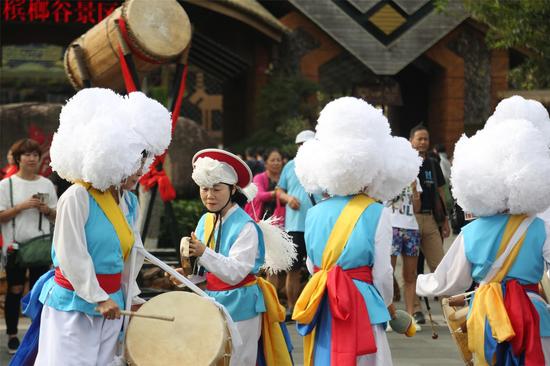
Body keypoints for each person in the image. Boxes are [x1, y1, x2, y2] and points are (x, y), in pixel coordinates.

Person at [22, 88, 172, 366]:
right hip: (75, 307)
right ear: (113, 156)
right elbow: (70, 254)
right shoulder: (77, 196)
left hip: (112, 306)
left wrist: (132, 296)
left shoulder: (129, 202)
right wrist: (98, 297)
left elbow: (130, 256)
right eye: (135, 163)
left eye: (143, 162)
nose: (141, 171)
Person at [417, 96, 550, 364]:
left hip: (486, 316)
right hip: (534, 315)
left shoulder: (472, 232)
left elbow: (449, 282)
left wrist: (419, 283)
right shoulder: (539, 228)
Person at [292, 97, 422, 365]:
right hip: (363, 304)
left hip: (324, 300)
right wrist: (387, 303)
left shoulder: (314, 213)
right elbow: (383, 273)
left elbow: (312, 264)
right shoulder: (378, 212)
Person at [170, 148, 292, 366]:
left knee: (238, 361)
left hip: (241, 304)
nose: (209, 195)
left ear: (233, 188)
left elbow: (235, 273)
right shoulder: (205, 220)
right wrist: (187, 277)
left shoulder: (246, 227)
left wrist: (203, 252)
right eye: (204, 189)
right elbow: (206, 271)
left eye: (216, 189)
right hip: (211, 302)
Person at [0, 138, 57, 354]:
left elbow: (58, 215)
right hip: (16, 247)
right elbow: (1, 216)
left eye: (35, 154)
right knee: (14, 290)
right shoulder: (6, 185)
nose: (32, 158)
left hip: (41, 247)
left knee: (38, 291)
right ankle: (13, 335)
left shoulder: (46, 184)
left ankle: (37, 335)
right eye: (27, 154)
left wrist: (47, 210)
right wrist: (21, 207)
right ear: (17, 158)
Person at [409, 124, 450, 324]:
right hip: (410, 219)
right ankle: (416, 308)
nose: (423, 142)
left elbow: (441, 192)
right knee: (412, 266)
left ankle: (448, 307)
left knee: (440, 264)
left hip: (431, 219)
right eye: (419, 139)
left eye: (425, 139)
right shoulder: (404, 163)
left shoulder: (433, 163)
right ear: (411, 141)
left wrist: (445, 220)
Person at [276, 130, 316, 318]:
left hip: (317, 224)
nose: (304, 147)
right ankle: (292, 307)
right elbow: (278, 191)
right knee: (293, 269)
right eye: (301, 144)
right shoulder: (290, 166)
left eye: (308, 144)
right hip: (295, 226)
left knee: (318, 268)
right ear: (297, 146)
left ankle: (314, 305)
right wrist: (288, 198)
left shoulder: (323, 166)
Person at [385, 179, 422, 330]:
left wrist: (414, 190)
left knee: (410, 274)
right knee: (388, 272)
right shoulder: (389, 174)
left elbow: (418, 208)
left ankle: (410, 316)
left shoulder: (414, 178)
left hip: (411, 228)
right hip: (391, 226)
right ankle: (387, 315)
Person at [245, 148, 288, 223]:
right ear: (265, 163)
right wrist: (276, 193)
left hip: (283, 222)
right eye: (272, 160)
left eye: (278, 160)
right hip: (262, 221)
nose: (276, 163)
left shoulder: (286, 178)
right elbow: (260, 195)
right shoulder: (259, 177)